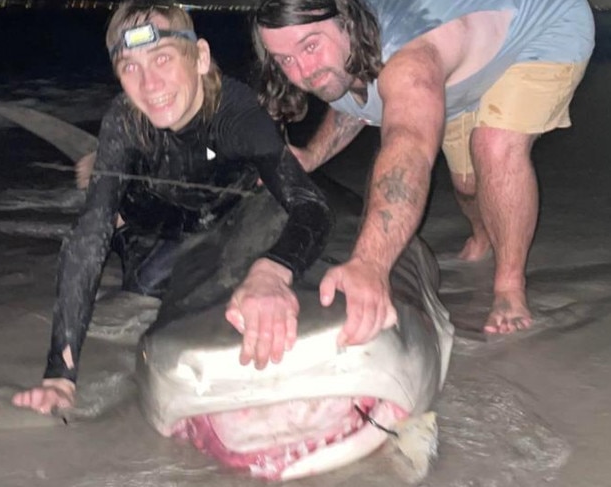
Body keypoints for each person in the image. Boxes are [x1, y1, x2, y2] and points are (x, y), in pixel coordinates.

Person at [12, 1, 333, 415]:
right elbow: (88, 235)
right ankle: (120, 210)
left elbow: (311, 205)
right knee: (144, 287)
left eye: (162, 58)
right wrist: (60, 375)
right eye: (130, 67)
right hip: (158, 213)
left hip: (224, 211)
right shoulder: (125, 121)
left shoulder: (236, 113)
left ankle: (111, 178)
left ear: (200, 57)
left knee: (263, 240)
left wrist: (274, 271)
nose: (149, 84)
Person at [252, 0, 594, 344]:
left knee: (493, 146)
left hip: (542, 25)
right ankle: (484, 235)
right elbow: (358, 105)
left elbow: (409, 145)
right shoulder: (342, 53)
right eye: (285, 60)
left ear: (347, 23)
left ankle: (509, 287)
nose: (303, 71)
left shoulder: (409, 61)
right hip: (465, 54)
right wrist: (311, 155)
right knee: (468, 185)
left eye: (310, 45)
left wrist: (371, 263)